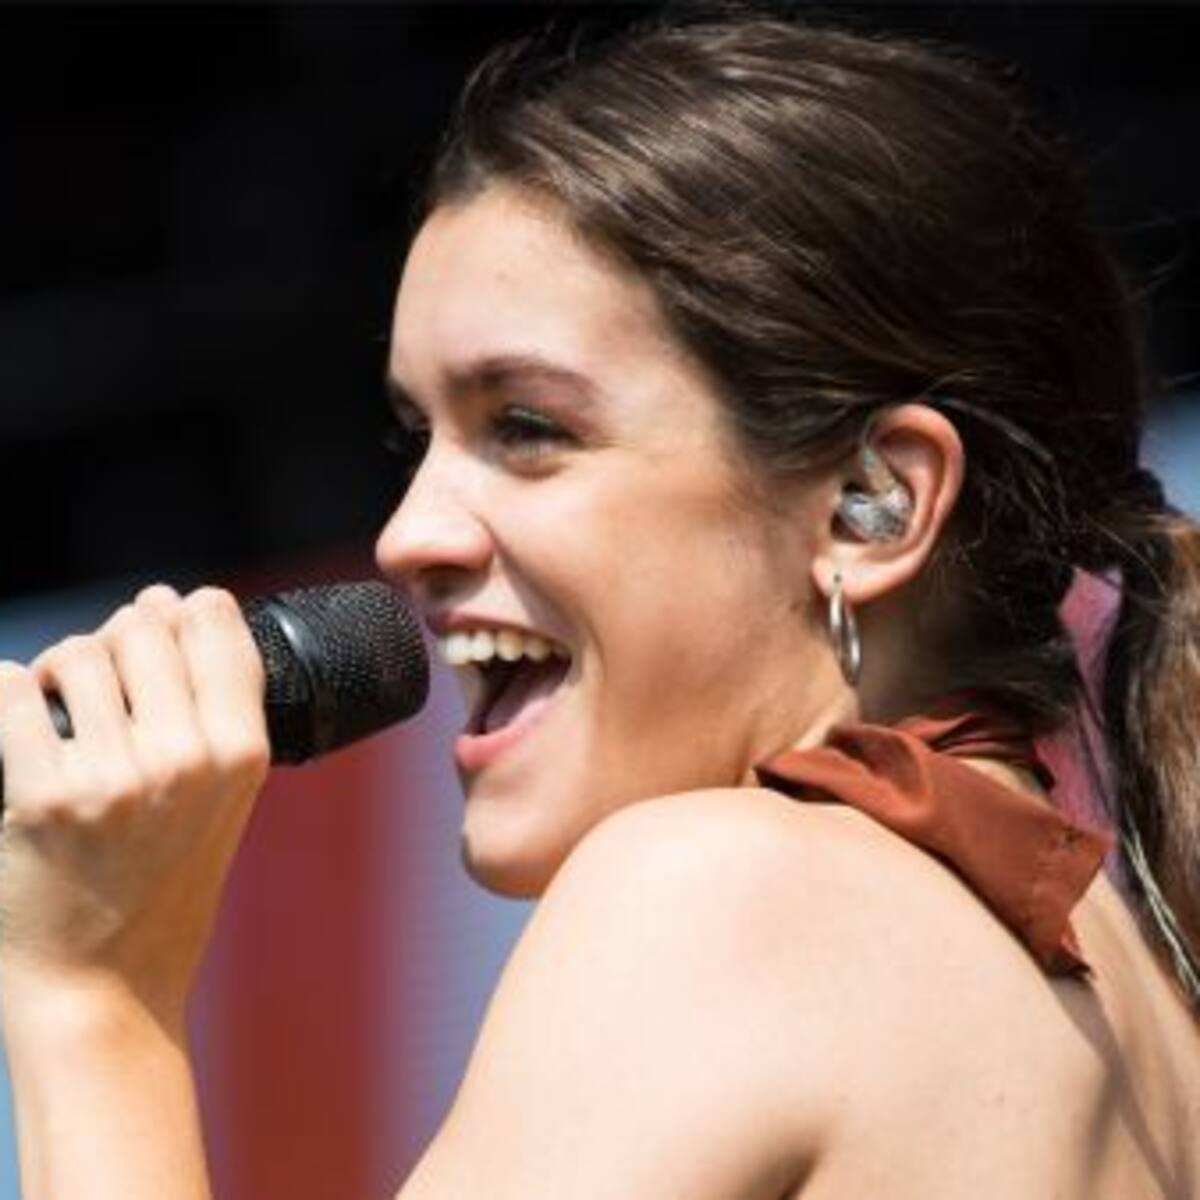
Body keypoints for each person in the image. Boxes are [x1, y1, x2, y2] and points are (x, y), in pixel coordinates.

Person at [1, 9, 1198, 1197]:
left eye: (527, 428)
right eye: (416, 440)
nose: (408, 537)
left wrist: (94, 998)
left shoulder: (722, 894)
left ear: (870, 507)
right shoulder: (1143, 1004)